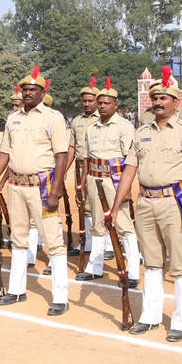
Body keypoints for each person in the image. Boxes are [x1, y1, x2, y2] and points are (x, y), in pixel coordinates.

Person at [110, 67, 182, 341]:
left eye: (164, 98)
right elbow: (129, 170)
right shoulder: (142, 132)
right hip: (146, 203)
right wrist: (115, 208)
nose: (158, 102)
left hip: (175, 203)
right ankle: (150, 317)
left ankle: (180, 322)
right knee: (151, 263)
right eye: (155, 98)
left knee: (180, 266)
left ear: (176, 102)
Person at [0, 66, 71, 316]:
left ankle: (60, 297)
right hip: (17, 186)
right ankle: (16, 290)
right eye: (25, 90)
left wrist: (55, 191)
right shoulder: (13, 118)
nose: (28, 93)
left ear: (43, 92)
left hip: (43, 186)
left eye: (33, 89)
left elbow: (61, 156)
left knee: (54, 242)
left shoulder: (53, 117)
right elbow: (4, 153)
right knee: (18, 239)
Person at [78, 78, 139, 287]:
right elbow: (87, 158)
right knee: (97, 224)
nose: (103, 106)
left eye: (107, 103)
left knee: (123, 224)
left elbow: (130, 160)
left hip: (115, 180)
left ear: (115, 105)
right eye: (100, 103)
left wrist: (126, 188)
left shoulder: (124, 126)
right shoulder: (91, 127)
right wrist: (83, 183)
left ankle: (133, 270)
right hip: (94, 178)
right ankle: (95, 267)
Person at [68, 79, 100, 256]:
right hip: (80, 168)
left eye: (90, 101)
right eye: (84, 101)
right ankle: (87, 243)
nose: (87, 104)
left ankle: (106, 245)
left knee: (101, 204)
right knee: (84, 204)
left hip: (98, 168)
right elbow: (72, 148)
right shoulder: (76, 121)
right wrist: (64, 170)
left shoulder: (103, 119)